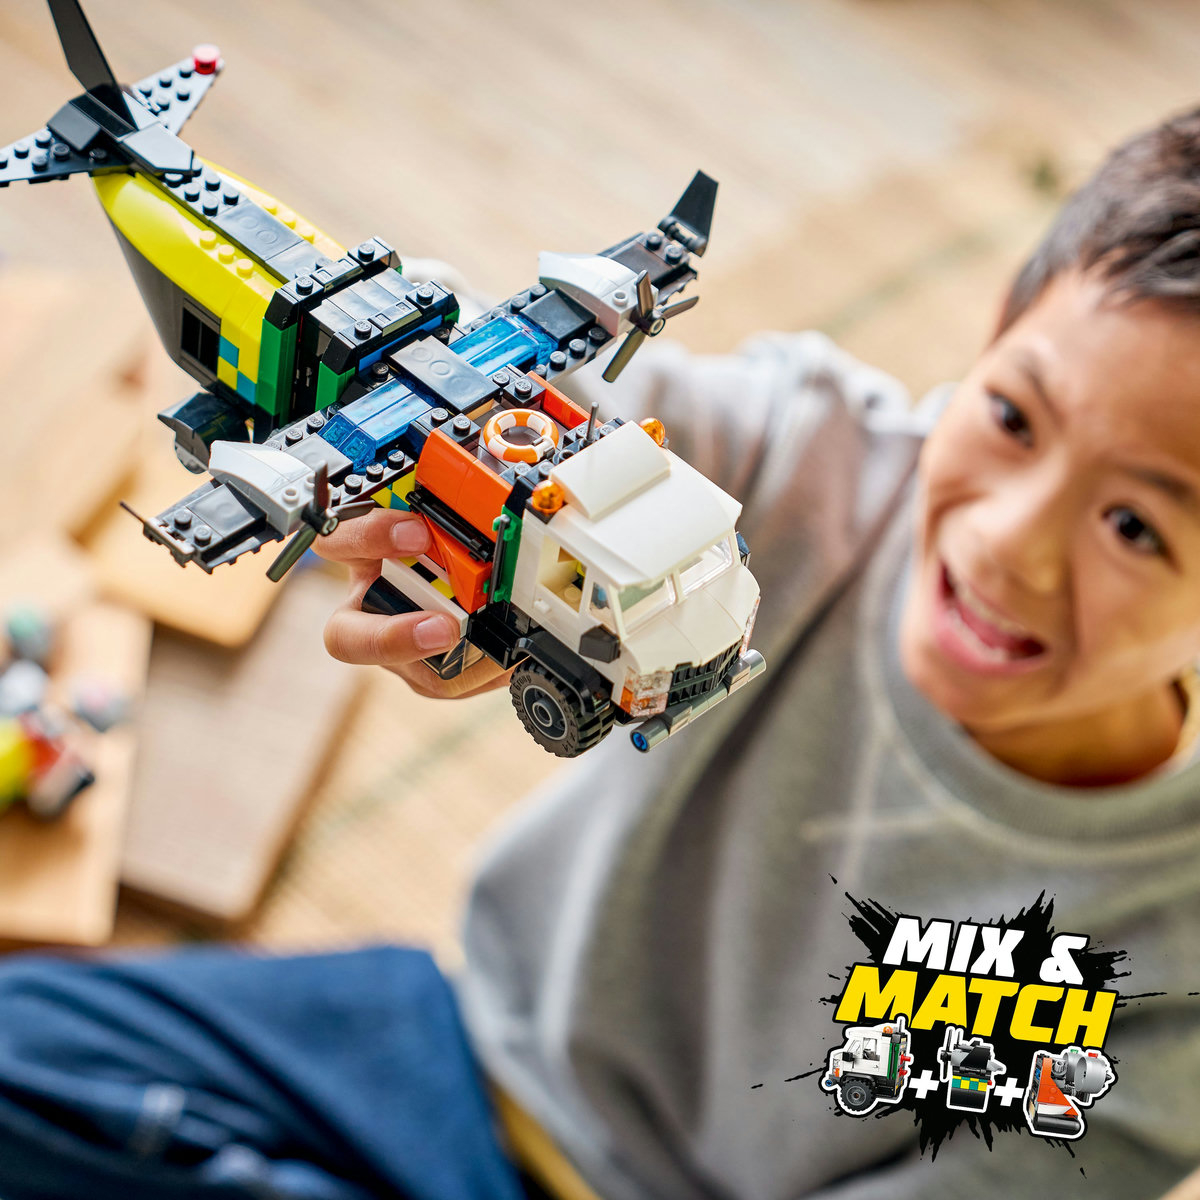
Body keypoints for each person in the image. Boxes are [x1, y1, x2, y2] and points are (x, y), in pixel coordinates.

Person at [2, 107, 1200, 1200]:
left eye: (1136, 526)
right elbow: (511, 370)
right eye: (1013, 416)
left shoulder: (1170, 971)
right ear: (992, 340)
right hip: (463, 1049)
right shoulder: (811, 455)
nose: (1011, 547)